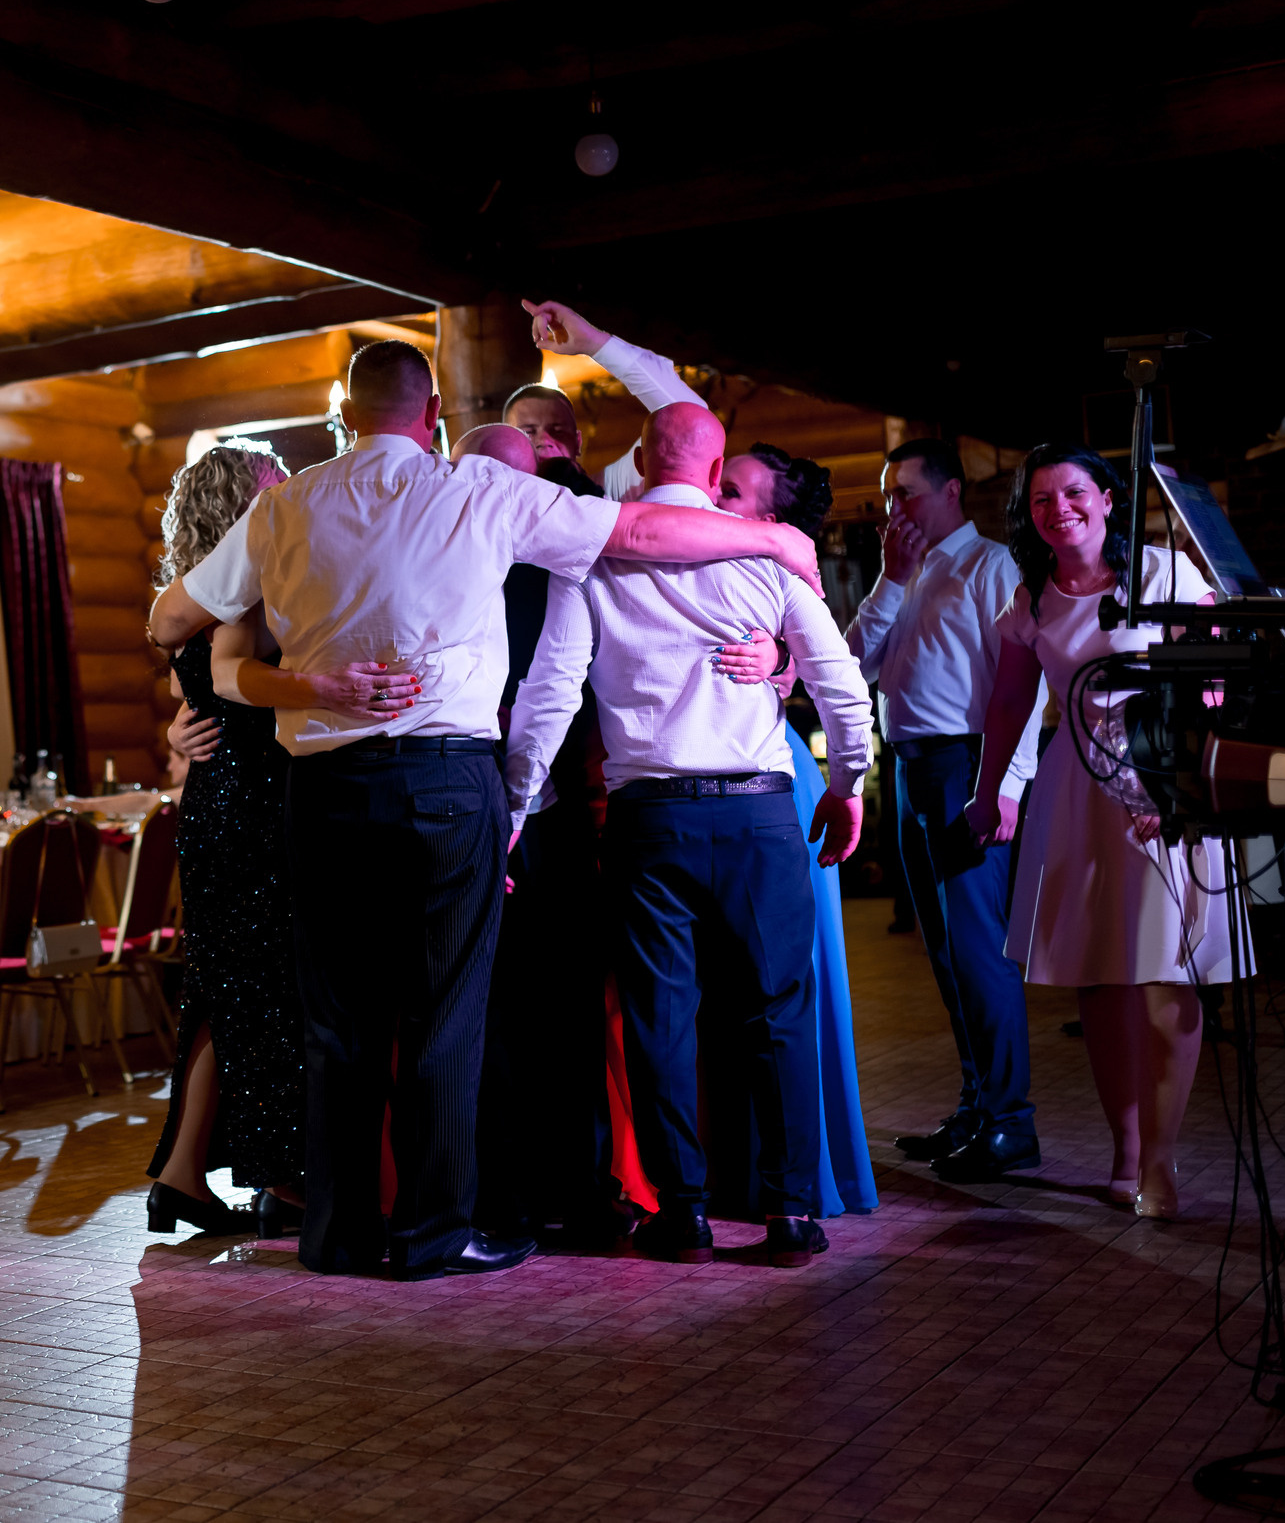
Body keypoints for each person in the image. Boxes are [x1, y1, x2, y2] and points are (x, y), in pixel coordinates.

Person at [149, 330, 825, 1280]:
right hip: (446, 781)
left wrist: (229, 671)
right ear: (432, 416)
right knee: (445, 1013)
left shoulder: (286, 505)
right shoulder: (478, 490)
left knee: (337, 1020)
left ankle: (337, 1235)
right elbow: (639, 534)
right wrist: (771, 536)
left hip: (326, 789)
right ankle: (435, 1234)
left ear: (345, 416)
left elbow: (170, 619)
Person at [506, 398, 872, 1269]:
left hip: (649, 819)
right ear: (714, 472)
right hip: (758, 813)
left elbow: (549, 695)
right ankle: (790, 1213)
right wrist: (848, 784)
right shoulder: (767, 555)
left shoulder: (595, 561)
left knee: (660, 1015)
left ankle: (684, 1213)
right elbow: (841, 685)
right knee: (778, 1010)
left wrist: (512, 809)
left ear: (640, 461)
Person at [966, 446, 1242, 1219]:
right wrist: (988, 792)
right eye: (1042, 499)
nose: (1060, 509)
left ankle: (1162, 1157)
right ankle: (1124, 1147)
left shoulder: (1164, 573)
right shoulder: (1033, 598)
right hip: (1076, 789)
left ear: (1109, 498)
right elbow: (1008, 705)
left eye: (1074, 492)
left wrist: (1180, 781)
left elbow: (1214, 680)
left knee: (1165, 969)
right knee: (1099, 971)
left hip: (1160, 778)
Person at [844, 440, 1044, 1183]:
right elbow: (853, 662)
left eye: (905, 492)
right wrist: (890, 578)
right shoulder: (906, 568)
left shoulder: (993, 567)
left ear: (951, 491)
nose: (893, 508)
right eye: (887, 495)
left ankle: (1011, 1122)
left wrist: (1007, 784)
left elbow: (1026, 686)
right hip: (909, 764)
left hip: (966, 762)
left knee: (978, 947)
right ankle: (976, 1107)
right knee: (941, 948)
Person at [459, 420, 632, 1247]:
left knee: (562, 1003)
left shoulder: (564, 557)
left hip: (552, 809)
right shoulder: (440, 558)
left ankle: (575, 1189)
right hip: (466, 805)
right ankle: (508, 1195)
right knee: (491, 1010)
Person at [705, 444, 879, 1219]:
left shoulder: (782, 567)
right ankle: (731, 1168)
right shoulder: (684, 544)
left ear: (773, 520)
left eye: (731, 490)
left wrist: (781, 657)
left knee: (782, 984)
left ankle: (799, 1173)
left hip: (779, 783)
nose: (713, 496)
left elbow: (822, 672)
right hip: (711, 790)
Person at [144, 440, 303, 1239]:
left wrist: (178, 734)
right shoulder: (246, 587)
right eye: (274, 487)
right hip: (255, 800)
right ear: (244, 502)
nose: (289, 497)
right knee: (266, 987)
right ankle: (284, 1179)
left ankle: (183, 1174)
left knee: (223, 987)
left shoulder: (189, 593)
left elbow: (191, 693)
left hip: (213, 801)